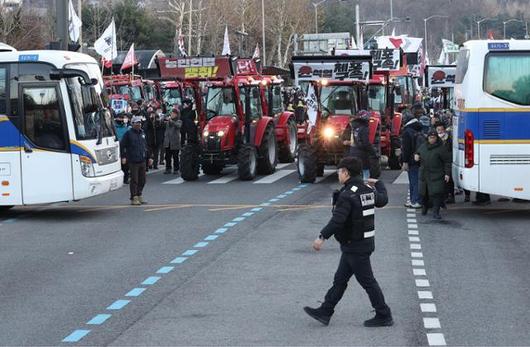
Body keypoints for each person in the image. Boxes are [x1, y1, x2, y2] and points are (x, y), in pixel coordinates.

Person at [303, 157, 392, 327]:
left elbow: (338, 220)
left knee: (368, 282)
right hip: (361, 243)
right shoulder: (367, 189)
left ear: (346, 172)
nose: (338, 175)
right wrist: (379, 183)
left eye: (339, 172)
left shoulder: (347, 195)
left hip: (355, 246)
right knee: (340, 280)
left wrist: (321, 237)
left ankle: (384, 314)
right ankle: (326, 311)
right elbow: (383, 200)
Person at [415, 129, 451, 219]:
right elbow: (418, 152)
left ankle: (436, 211)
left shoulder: (441, 148)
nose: (432, 140)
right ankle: (425, 206)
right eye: (430, 138)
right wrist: (416, 155)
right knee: (424, 193)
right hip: (424, 174)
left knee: (436, 194)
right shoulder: (423, 146)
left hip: (437, 174)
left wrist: (447, 173)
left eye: (434, 138)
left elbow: (447, 162)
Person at [120, 116, 153, 206]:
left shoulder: (142, 133)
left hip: (142, 159)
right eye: (136, 123)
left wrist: (149, 157)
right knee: (134, 179)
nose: (138, 124)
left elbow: (145, 146)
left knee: (143, 180)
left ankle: (139, 194)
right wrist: (123, 156)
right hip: (133, 159)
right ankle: (133, 197)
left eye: (140, 123)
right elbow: (122, 146)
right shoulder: (128, 134)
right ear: (133, 124)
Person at [342, 110, 375, 180]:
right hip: (362, 154)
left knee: (355, 175)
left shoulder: (355, 127)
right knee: (366, 173)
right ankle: (365, 188)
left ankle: (355, 188)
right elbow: (365, 143)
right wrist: (373, 152)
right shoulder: (364, 128)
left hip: (353, 152)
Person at [400, 112, 424, 208]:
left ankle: (415, 200)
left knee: (413, 180)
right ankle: (415, 200)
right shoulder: (417, 129)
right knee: (416, 179)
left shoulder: (407, 132)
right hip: (418, 158)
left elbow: (406, 148)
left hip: (411, 159)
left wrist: (405, 161)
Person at [435, 121, 455, 204]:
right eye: (438, 130)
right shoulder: (435, 139)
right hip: (438, 163)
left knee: (448, 180)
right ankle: (444, 196)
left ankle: (450, 196)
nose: (440, 132)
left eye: (441, 130)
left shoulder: (449, 139)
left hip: (447, 162)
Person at [163, 108, 182, 175]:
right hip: (168, 141)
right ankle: (168, 168)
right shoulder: (168, 122)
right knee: (167, 156)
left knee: (175, 156)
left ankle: (176, 169)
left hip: (175, 141)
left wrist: (171, 121)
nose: (172, 114)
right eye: (171, 113)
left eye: (173, 113)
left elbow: (178, 126)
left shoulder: (179, 121)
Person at [115, 113, 131, 184]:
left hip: (125, 147)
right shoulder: (114, 127)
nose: (121, 120)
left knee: (125, 164)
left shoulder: (127, 128)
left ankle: (126, 178)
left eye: (122, 118)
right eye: (119, 118)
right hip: (116, 146)